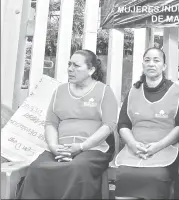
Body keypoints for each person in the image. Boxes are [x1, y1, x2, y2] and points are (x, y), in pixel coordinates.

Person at [17, 49, 119, 199]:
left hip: (94, 148)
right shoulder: (60, 91)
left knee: (76, 168)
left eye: (76, 66)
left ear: (91, 70)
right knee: (37, 168)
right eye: (69, 64)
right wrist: (53, 147)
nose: (70, 69)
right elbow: (51, 123)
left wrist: (81, 147)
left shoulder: (104, 91)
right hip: (61, 147)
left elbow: (109, 125)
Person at [115, 47, 179, 199]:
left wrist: (158, 146)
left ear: (164, 66)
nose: (151, 64)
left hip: (165, 149)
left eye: (156, 60)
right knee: (124, 174)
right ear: (143, 65)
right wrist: (133, 144)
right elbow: (123, 124)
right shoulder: (134, 91)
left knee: (156, 174)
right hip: (136, 149)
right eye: (147, 60)